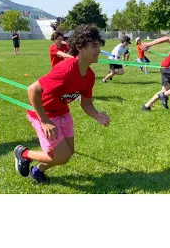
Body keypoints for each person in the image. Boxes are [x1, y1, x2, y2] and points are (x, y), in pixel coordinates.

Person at [14, 24, 110, 185]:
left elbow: (86, 103)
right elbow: (32, 90)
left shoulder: (90, 76)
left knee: (68, 152)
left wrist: (97, 115)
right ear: (80, 47)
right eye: (94, 46)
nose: (98, 50)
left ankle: (37, 171)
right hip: (43, 114)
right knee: (61, 156)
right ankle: (23, 154)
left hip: (62, 113)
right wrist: (44, 121)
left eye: (98, 46)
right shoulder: (66, 70)